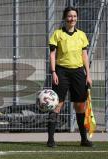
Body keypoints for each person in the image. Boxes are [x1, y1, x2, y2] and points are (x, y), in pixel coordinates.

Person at [48, 7, 93, 147]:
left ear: (77, 18)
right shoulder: (57, 34)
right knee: (57, 105)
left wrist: (88, 75)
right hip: (61, 72)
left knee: (80, 106)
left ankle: (84, 139)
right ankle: (50, 139)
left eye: (74, 16)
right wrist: (54, 72)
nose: (72, 18)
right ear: (65, 18)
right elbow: (52, 54)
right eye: (69, 16)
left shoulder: (82, 35)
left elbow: (84, 55)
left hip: (79, 72)